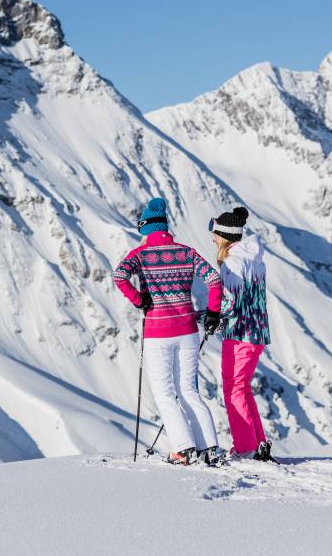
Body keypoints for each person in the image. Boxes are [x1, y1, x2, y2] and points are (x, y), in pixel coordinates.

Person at [113, 198, 224, 465]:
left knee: (164, 392)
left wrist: (140, 299)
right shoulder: (186, 252)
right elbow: (214, 280)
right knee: (189, 390)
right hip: (187, 329)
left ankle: (183, 449)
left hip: (158, 333)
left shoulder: (139, 256)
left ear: (146, 229)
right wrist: (212, 312)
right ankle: (209, 448)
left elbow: (119, 277)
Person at [209, 207, 273, 461]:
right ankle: (257, 444)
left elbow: (230, 302)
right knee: (242, 389)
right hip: (257, 333)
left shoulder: (233, 264)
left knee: (234, 390)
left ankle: (246, 447)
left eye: (215, 233)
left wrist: (208, 317)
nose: (212, 238)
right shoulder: (255, 261)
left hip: (240, 334)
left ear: (225, 235)